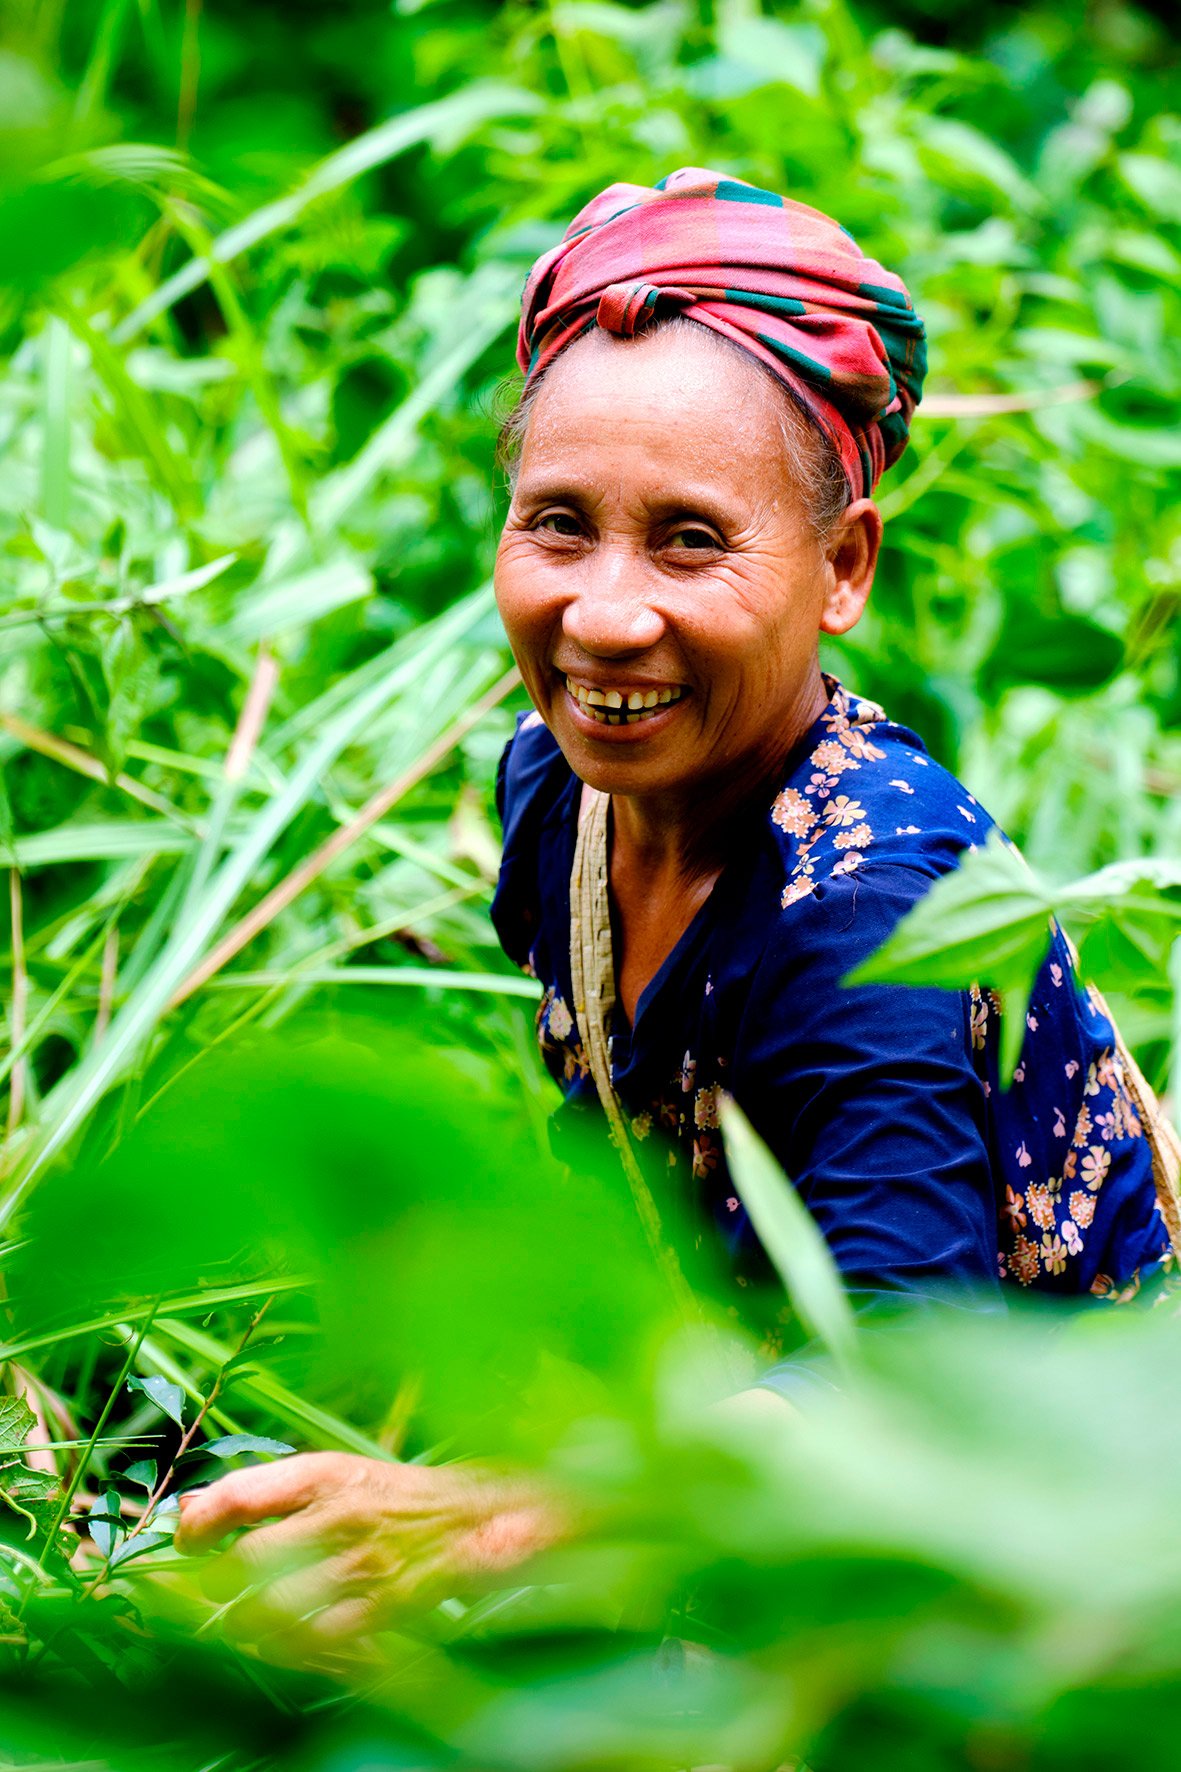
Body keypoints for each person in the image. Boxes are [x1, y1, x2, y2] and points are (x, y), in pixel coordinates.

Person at [177, 167, 1176, 1641]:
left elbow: (910, 1405)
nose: (603, 613)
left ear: (842, 566)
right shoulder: (561, 798)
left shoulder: (865, 913)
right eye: (559, 525)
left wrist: (495, 1519)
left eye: (691, 540)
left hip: (1054, 1549)